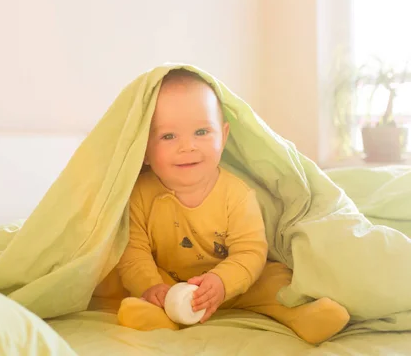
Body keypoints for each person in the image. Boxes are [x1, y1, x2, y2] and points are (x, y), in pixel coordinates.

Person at [115, 69, 350, 344]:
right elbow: (133, 252)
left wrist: (222, 283)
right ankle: (160, 315)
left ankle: (304, 316)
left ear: (223, 136)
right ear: (143, 148)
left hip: (235, 282)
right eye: (169, 136)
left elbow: (250, 251)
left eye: (202, 132)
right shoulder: (139, 196)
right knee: (134, 284)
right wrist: (150, 287)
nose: (188, 146)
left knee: (276, 279)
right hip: (172, 283)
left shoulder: (236, 194)